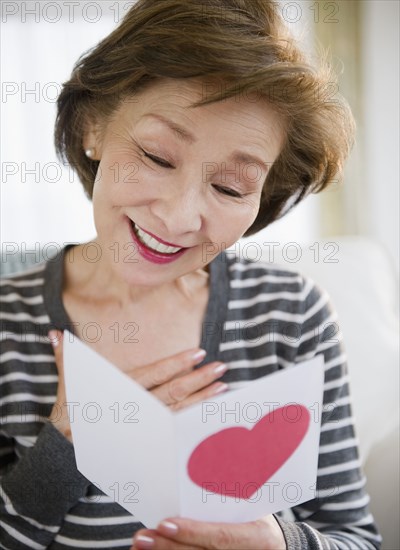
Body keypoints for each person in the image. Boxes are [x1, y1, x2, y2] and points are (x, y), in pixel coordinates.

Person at [0, 0, 382, 548]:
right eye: (157, 156)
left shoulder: (291, 315)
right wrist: (66, 444)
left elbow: (357, 538)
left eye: (229, 188)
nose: (179, 218)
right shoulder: (9, 323)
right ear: (94, 128)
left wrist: (280, 542)